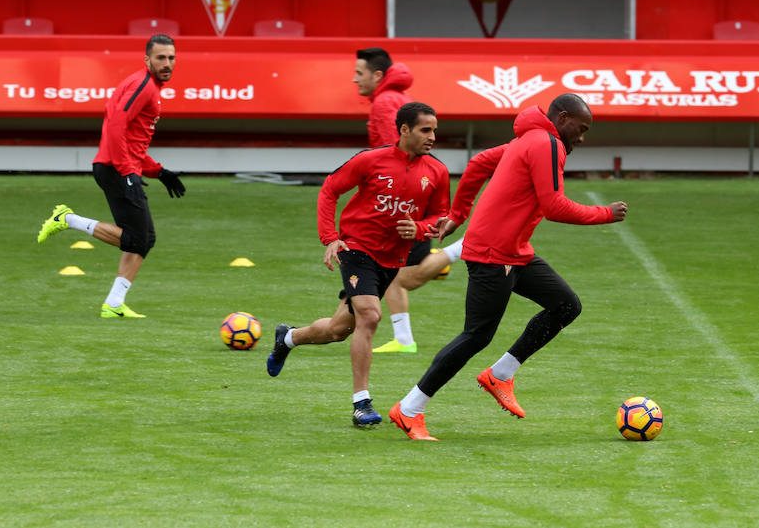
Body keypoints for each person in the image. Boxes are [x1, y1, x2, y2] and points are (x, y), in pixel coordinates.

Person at [389, 93, 628, 441]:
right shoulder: (547, 144)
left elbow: (479, 163)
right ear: (562, 118)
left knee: (566, 305)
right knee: (476, 336)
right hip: (493, 254)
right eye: (581, 128)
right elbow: (554, 206)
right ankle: (409, 409)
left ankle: (500, 374)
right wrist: (605, 214)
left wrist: (458, 215)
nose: (581, 137)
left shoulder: (529, 138)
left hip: (514, 252)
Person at [266, 102, 451, 428]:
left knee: (340, 330)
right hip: (356, 250)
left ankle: (288, 338)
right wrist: (330, 238)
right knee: (370, 314)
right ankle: (361, 404)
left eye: (435, 129)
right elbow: (330, 189)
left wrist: (420, 229)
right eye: (426, 129)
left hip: (391, 260)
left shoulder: (436, 172)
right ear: (404, 129)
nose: (432, 136)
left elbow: (441, 217)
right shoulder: (371, 160)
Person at [36, 34, 186, 318]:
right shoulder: (143, 85)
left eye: (171, 58)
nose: (167, 63)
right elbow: (116, 123)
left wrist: (159, 171)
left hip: (120, 165)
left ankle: (114, 303)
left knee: (145, 238)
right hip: (116, 168)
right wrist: (128, 173)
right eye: (160, 58)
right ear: (147, 60)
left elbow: (132, 141)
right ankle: (67, 219)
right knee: (136, 239)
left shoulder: (149, 86)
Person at [352, 47, 463, 354]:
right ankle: (403, 339)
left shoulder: (386, 101)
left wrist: (387, 190)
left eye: (358, 73)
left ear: (377, 75)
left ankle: (462, 248)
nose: (354, 79)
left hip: (404, 194)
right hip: (406, 191)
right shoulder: (394, 97)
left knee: (407, 276)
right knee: (395, 275)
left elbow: (395, 149)